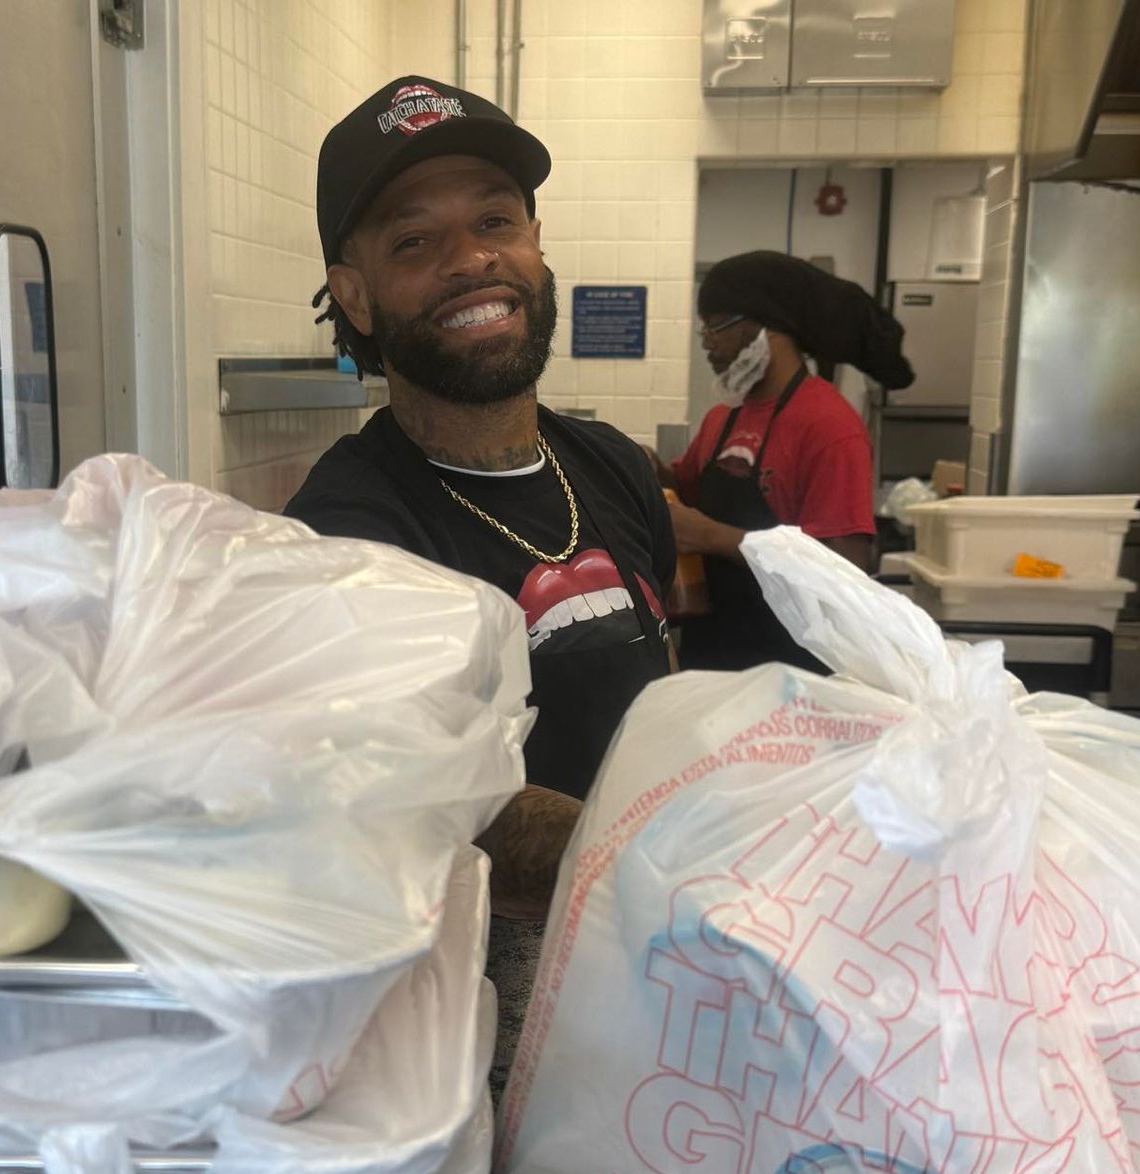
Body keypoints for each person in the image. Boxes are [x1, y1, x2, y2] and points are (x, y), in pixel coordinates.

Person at [286, 77, 675, 922]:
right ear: (355, 294)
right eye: (417, 240)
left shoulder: (615, 467)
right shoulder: (342, 536)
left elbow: (658, 680)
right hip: (477, 1000)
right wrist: (673, 862)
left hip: (651, 963)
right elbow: (419, 802)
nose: (471, 260)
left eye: (495, 222)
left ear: (536, 241)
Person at [654, 250, 909, 672]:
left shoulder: (829, 425)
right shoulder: (725, 415)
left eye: (717, 326)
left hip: (792, 669)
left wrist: (713, 536)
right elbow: (691, 492)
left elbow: (843, 570)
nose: (707, 343)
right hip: (714, 655)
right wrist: (646, 468)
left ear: (765, 328)